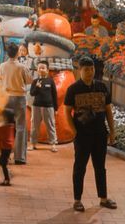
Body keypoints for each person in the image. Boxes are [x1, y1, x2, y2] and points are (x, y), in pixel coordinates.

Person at [64, 56, 116, 212]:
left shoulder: (101, 87)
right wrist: (74, 131)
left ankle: (103, 198)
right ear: (80, 70)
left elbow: (108, 110)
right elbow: (67, 112)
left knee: (100, 167)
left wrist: (112, 131)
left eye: (92, 69)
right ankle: (77, 200)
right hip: (82, 135)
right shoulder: (73, 89)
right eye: (86, 69)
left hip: (100, 133)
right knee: (80, 167)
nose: (90, 72)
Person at [0, 48, 30, 165]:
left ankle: (5, 155)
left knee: (6, 126)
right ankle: (19, 157)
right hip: (19, 97)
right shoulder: (22, 67)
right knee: (20, 126)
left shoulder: (2, 66)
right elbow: (29, 80)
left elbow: (1, 77)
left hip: (6, 97)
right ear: (17, 53)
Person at [29, 63, 61, 154]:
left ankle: (53, 144)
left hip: (49, 106)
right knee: (34, 126)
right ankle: (33, 143)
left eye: (43, 68)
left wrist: (56, 109)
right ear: (37, 70)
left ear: (47, 70)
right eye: (39, 68)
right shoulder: (35, 81)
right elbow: (32, 93)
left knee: (50, 125)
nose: (41, 69)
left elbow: (54, 95)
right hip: (36, 106)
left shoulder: (50, 81)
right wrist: (37, 87)